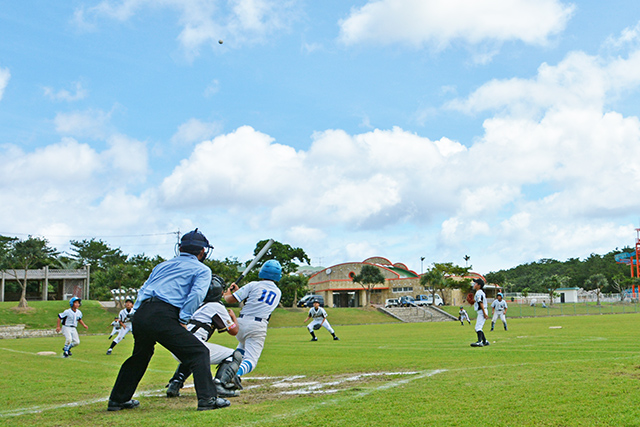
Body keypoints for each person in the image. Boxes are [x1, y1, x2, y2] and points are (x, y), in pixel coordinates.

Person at [107, 229, 230, 412]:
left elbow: (144, 290)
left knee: (140, 355)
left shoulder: (162, 266)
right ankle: (208, 399)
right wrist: (183, 319)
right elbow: (196, 294)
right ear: (202, 251)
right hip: (164, 314)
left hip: (142, 313)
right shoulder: (202, 270)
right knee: (198, 352)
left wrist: (138, 314)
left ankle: (118, 400)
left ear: (180, 248)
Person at [165, 275, 240, 398]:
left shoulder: (195, 303)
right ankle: (219, 385)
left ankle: (175, 383)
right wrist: (233, 317)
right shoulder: (217, 306)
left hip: (177, 347)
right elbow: (234, 331)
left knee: (193, 354)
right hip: (192, 346)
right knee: (234, 355)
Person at [219, 260, 282, 392]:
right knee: (251, 360)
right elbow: (257, 303)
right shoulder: (277, 292)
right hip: (258, 325)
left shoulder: (253, 285)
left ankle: (224, 374)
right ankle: (234, 375)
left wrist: (227, 293)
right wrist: (235, 293)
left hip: (241, 323)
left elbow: (231, 300)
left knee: (240, 351)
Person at [470, 278, 490, 347]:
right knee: (479, 327)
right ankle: (485, 341)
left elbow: (480, 302)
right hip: (482, 310)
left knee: (478, 327)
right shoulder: (480, 292)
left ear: (479, 285)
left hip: (482, 311)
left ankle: (480, 341)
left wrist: (484, 313)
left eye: (475, 283)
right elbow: (478, 302)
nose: (474, 284)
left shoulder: (478, 293)